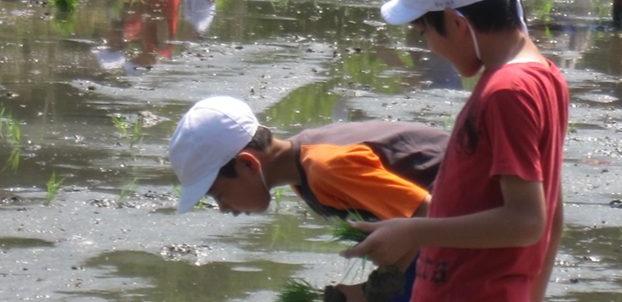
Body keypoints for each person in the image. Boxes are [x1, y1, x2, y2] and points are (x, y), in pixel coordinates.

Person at [343, 0, 568, 301]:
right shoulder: (544, 75)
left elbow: (528, 220)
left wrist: (416, 232)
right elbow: (553, 212)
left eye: (423, 32)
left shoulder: (507, 92)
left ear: (457, 23)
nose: (428, 46)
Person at [169, 95, 448, 301]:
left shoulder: (325, 168)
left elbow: (428, 214)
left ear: (248, 164)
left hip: (474, 216)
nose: (224, 208)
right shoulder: (301, 173)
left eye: (219, 195)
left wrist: (371, 292)